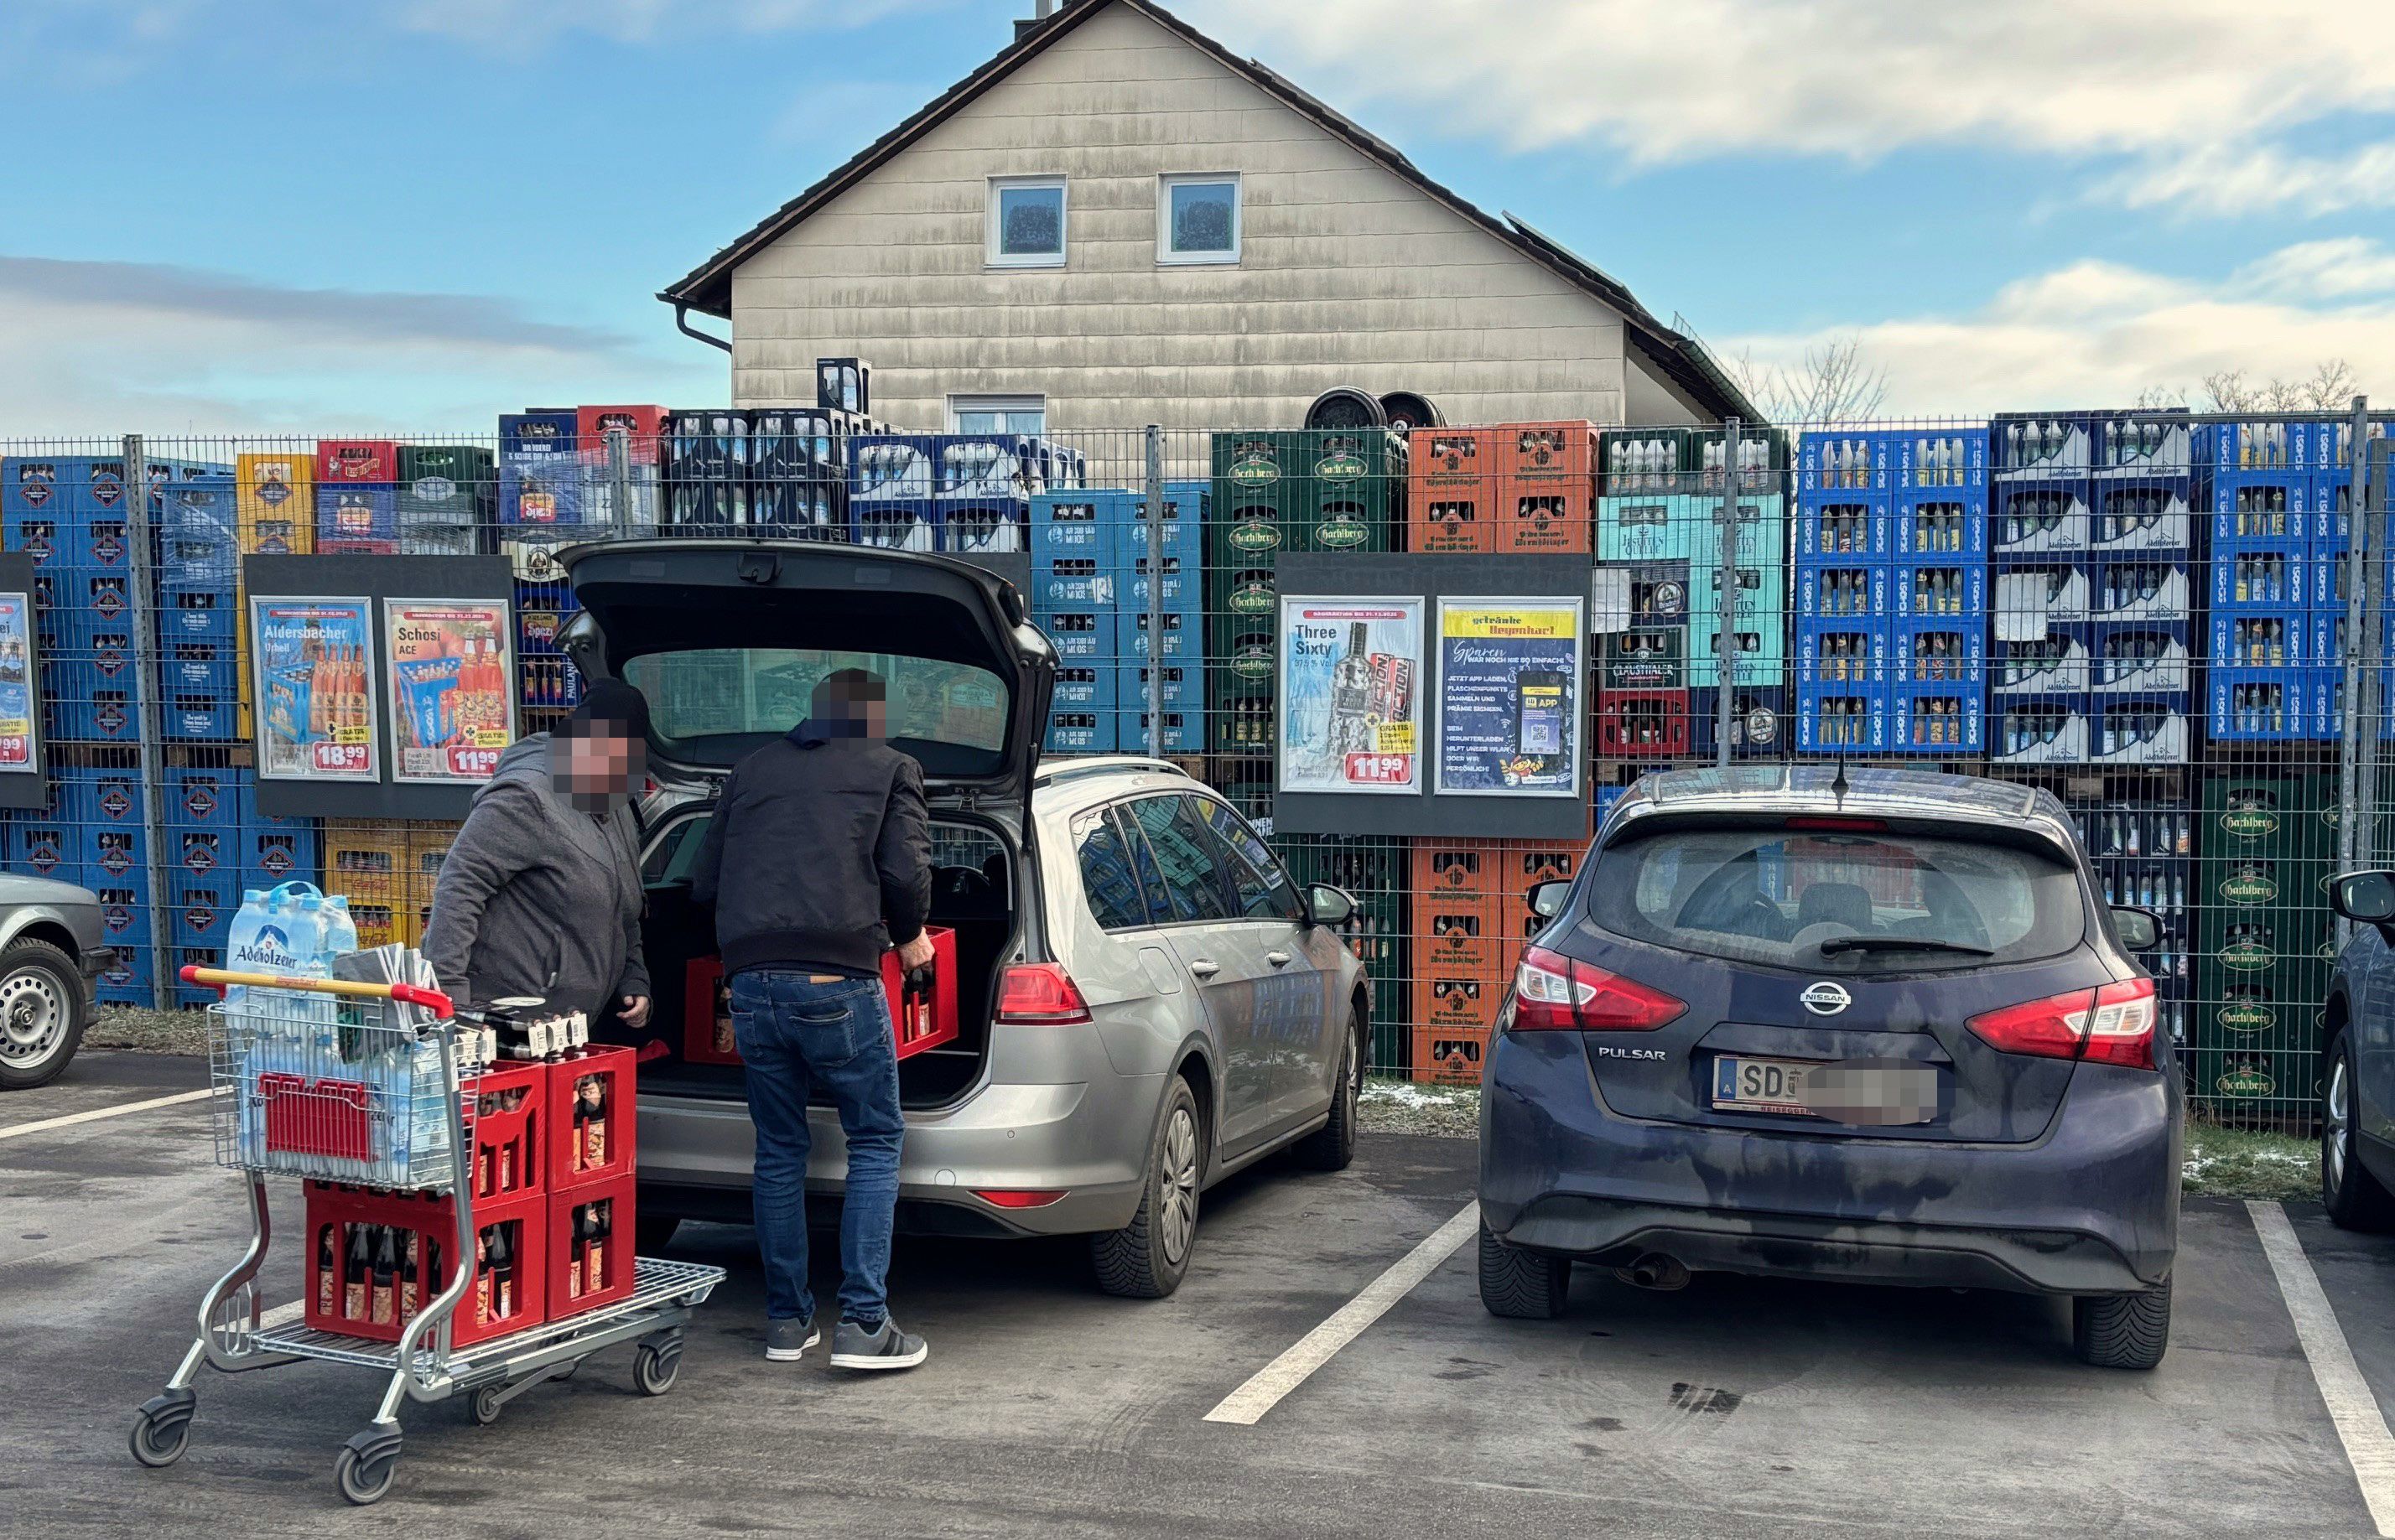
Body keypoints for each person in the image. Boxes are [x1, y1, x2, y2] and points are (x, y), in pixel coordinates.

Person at [690, 667, 934, 1371]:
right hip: (838, 978)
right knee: (877, 1138)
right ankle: (863, 1324)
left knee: (777, 1151)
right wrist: (910, 930)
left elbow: (705, 880)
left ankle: (786, 1323)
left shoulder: (751, 768)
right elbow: (906, 870)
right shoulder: (891, 768)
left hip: (750, 985)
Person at [422, 680, 653, 1032]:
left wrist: (634, 979)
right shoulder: (526, 797)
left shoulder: (616, 802)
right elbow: (460, 887)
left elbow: (624, 906)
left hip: (565, 1020)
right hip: (504, 1011)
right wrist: (448, 996)